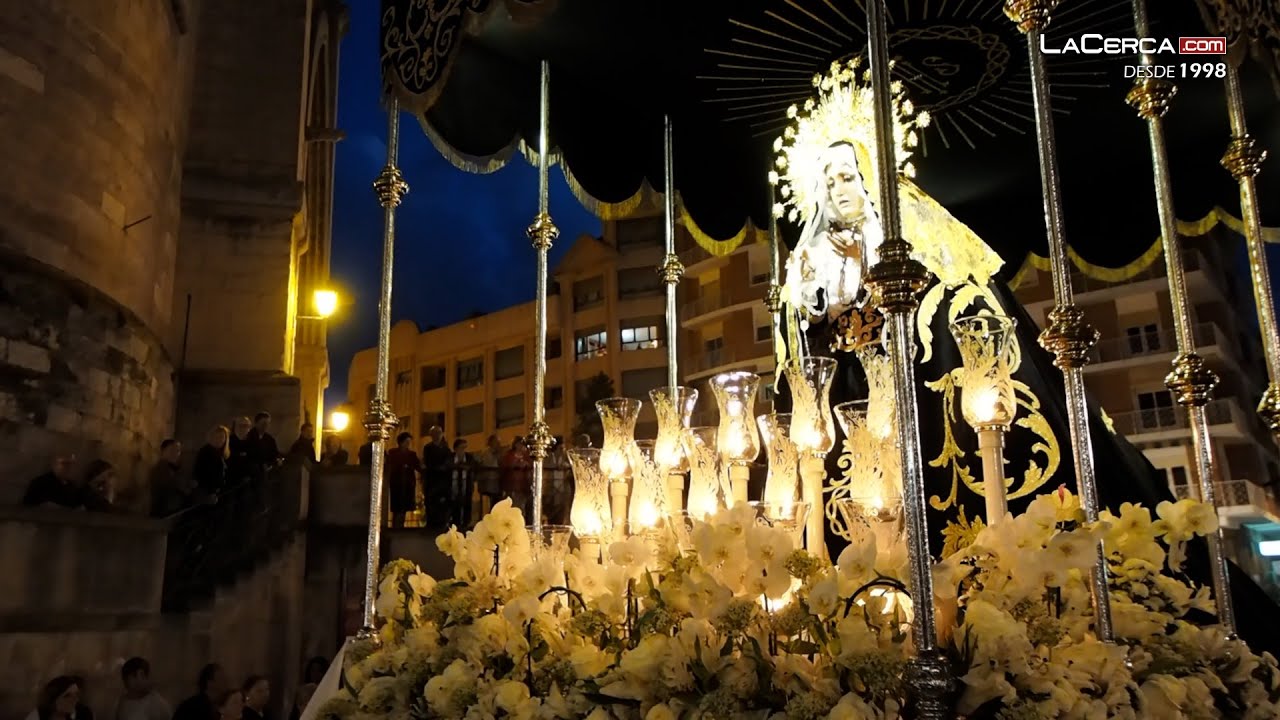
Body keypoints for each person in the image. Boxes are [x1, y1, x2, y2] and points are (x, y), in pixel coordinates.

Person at [784, 140, 884, 323]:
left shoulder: (881, 237)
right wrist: (806, 281)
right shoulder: (821, 244)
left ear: (865, 179)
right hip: (836, 346)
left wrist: (861, 259)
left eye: (847, 178)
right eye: (830, 184)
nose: (838, 192)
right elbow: (811, 325)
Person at [385, 432, 421, 528]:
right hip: (397, 483)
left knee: (404, 507)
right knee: (397, 507)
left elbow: (418, 466)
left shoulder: (412, 454)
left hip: (407, 484)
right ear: (401, 442)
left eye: (409, 442)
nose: (408, 444)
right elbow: (390, 465)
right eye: (406, 441)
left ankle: (400, 526)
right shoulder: (393, 453)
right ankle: (396, 526)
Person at [149, 440, 192, 516]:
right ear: (163, 451)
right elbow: (178, 486)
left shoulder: (174, 468)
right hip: (165, 513)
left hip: (172, 511)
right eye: (172, 450)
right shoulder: (161, 469)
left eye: (178, 451)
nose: (176, 454)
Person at [420, 426, 451, 527]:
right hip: (432, 479)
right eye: (435, 433)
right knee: (431, 502)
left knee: (442, 503)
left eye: (439, 433)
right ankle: (431, 522)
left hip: (443, 480)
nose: (437, 436)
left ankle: (442, 522)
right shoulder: (428, 448)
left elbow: (449, 461)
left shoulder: (446, 448)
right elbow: (428, 462)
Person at [26, 675, 92, 720]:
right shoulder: (37, 716)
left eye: (76, 694)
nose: (75, 699)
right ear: (53, 699)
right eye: (67, 696)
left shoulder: (84, 715)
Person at [193, 425, 230, 497]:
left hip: (218, 491)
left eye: (222, 437)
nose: (219, 439)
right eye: (217, 437)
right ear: (211, 437)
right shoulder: (206, 452)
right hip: (208, 492)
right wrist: (211, 491)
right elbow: (201, 473)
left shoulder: (220, 452)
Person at [500, 437, 531, 519]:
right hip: (511, 485)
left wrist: (526, 464)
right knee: (511, 506)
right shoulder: (509, 455)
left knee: (521, 507)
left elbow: (530, 465)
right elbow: (505, 465)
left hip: (523, 486)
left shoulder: (526, 455)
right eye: (520, 444)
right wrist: (516, 464)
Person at [447, 438, 475, 529]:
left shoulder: (469, 457)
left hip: (465, 482)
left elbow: (474, 466)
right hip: (453, 482)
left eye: (464, 448)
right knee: (455, 502)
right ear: (455, 449)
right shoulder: (450, 457)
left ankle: (466, 522)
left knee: (467, 502)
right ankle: (455, 521)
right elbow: (447, 467)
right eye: (461, 448)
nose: (463, 450)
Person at [477, 435, 503, 515]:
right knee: (493, 499)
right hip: (488, 480)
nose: (498, 444)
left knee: (497, 500)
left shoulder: (500, 453)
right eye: (496, 442)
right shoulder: (485, 452)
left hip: (497, 480)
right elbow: (485, 463)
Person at [227, 417, 254, 484]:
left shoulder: (252, 442)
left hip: (247, 480)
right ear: (234, 427)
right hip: (230, 479)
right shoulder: (227, 441)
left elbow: (252, 460)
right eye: (241, 425)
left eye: (247, 426)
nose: (244, 428)